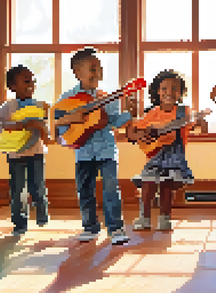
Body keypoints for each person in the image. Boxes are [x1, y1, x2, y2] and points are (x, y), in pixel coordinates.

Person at [53, 47, 134, 245]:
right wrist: (74, 117)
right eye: (92, 69)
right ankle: (90, 227)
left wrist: (129, 113)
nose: (97, 73)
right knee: (85, 190)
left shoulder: (107, 97)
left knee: (110, 189)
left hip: (106, 150)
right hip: (82, 152)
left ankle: (115, 229)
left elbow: (114, 121)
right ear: (77, 73)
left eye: (99, 68)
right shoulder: (68, 98)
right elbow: (56, 119)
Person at [127, 70, 196, 231]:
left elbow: (197, 125)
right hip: (154, 157)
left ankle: (165, 218)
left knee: (167, 186)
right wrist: (142, 135)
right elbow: (132, 131)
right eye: (164, 88)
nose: (169, 92)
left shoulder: (183, 112)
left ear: (180, 93)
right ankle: (144, 218)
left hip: (174, 158)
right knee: (148, 185)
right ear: (158, 91)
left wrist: (201, 121)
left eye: (174, 89)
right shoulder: (152, 113)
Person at [0, 65, 53, 236]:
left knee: (38, 187)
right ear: (12, 86)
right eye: (25, 80)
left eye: (32, 80)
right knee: (18, 191)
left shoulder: (41, 105)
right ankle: (19, 223)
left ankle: (42, 215)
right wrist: (19, 125)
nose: (30, 83)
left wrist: (45, 129)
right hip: (15, 155)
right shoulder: (8, 107)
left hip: (37, 153)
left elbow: (49, 129)